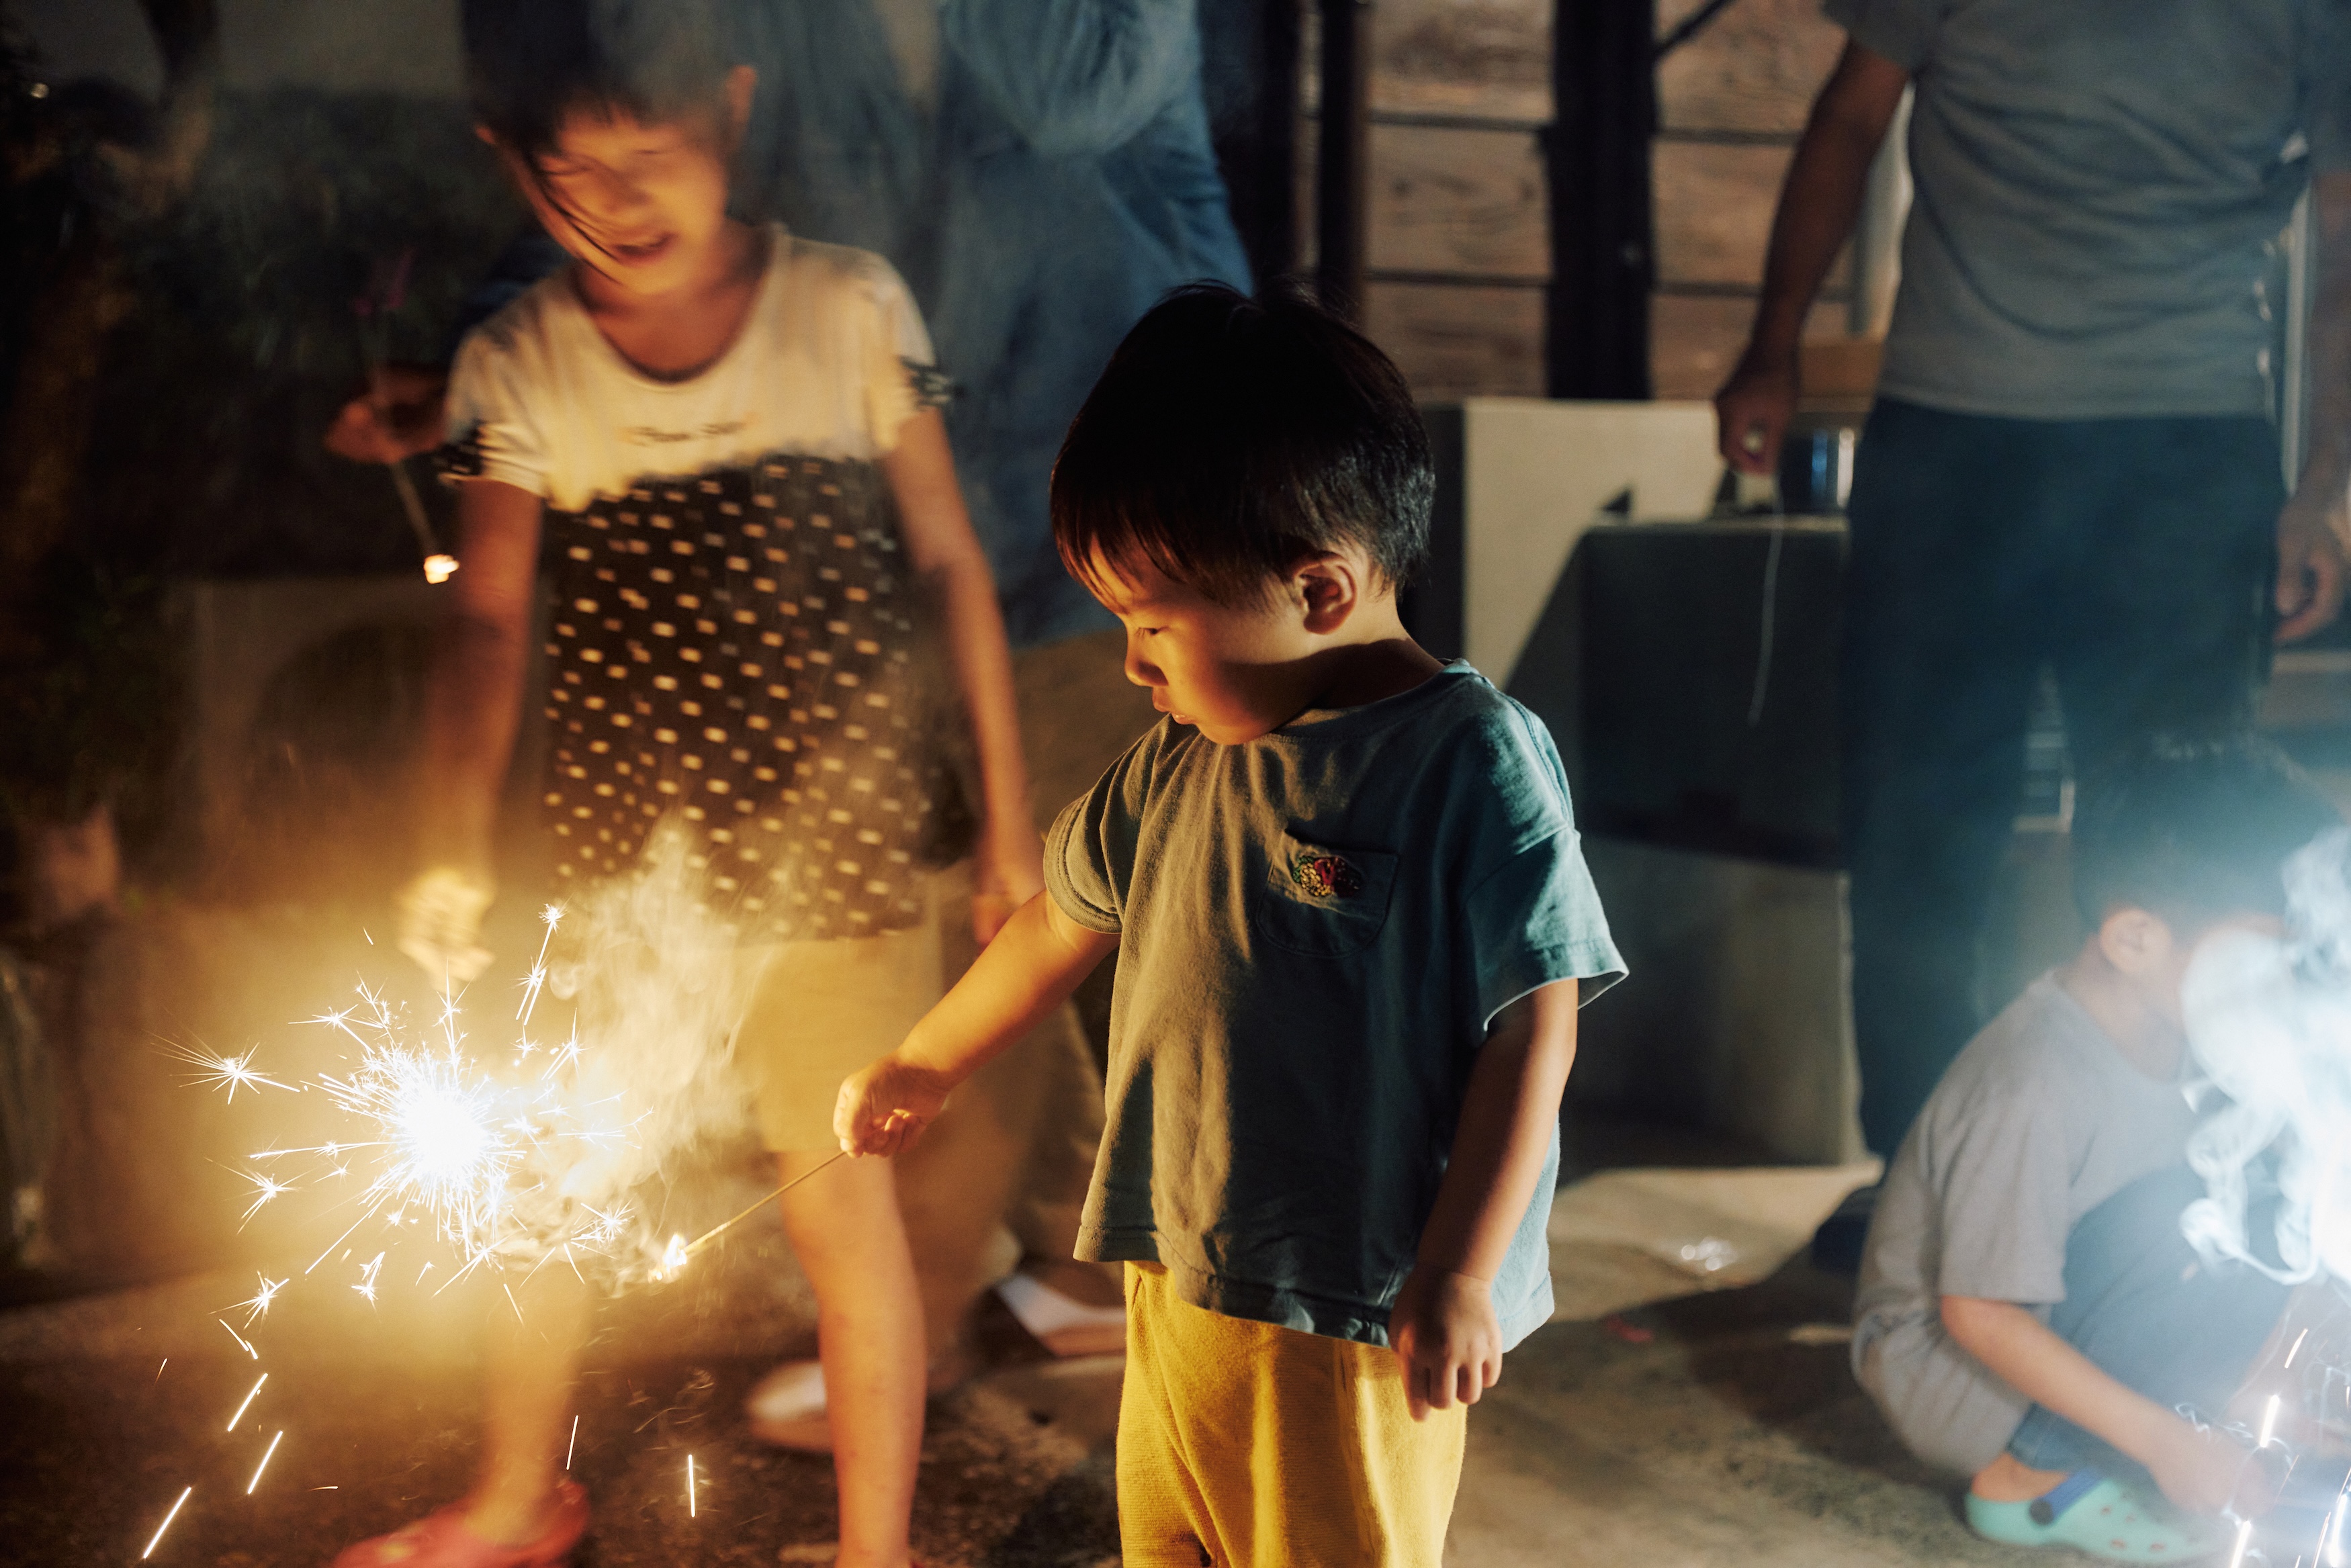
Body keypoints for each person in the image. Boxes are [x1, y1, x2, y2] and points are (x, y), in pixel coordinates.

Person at [325, 0, 1252, 1434]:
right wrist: (474, 369)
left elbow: (1074, 93)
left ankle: (1198, 1287)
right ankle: (968, 1298)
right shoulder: (767, 33)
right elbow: (640, 166)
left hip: (1117, 507)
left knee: (1120, 909)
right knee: (975, 945)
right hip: (880, 544)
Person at [834, 285, 1627, 1566]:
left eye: (1154, 626)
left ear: (1319, 590)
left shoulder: (1471, 762)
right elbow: (1055, 924)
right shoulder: (1182, 762)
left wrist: (1464, 1271)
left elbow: (1532, 1034)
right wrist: (927, 1058)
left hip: (1353, 1309)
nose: (1135, 665)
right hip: (1177, 1273)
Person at [1712, 0, 2351, 1217]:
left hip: (2185, 440)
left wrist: (2326, 484)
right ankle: (1922, 1180)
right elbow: (1850, 117)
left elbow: (2349, 234)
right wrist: (1771, 344)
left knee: (2181, 840)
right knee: (1914, 831)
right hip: (1957, 434)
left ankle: (2169, 1193)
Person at [1853, 737, 2340, 1560]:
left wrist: (2267, 1385)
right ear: (2135, 939)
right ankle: (2029, 1479)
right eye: (2265, 956)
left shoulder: (2187, 1028)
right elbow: (1977, 1313)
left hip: (2073, 1314)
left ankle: (2193, 1412)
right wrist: (2166, 1442)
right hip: (1956, 1374)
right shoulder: (2033, 1080)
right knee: (2168, 1210)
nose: (2286, 986)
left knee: (2279, 1182)